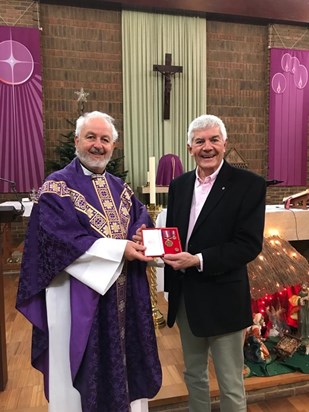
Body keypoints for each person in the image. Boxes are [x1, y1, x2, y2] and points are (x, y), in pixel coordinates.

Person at [16, 111, 162, 412]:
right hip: (76, 297)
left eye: (105, 140)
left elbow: (140, 218)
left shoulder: (120, 187)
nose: (98, 145)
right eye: (91, 137)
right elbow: (58, 238)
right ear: (76, 141)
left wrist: (139, 235)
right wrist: (120, 249)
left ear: (113, 146)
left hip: (125, 297)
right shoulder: (56, 187)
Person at [162, 114, 266, 412]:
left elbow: (248, 244)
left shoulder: (249, 185)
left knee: (231, 383)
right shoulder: (179, 185)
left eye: (213, 140)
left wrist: (198, 260)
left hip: (224, 297)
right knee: (194, 376)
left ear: (225, 144)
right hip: (187, 299)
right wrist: (157, 245)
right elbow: (174, 238)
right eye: (199, 141)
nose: (207, 147)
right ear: (189, 147)